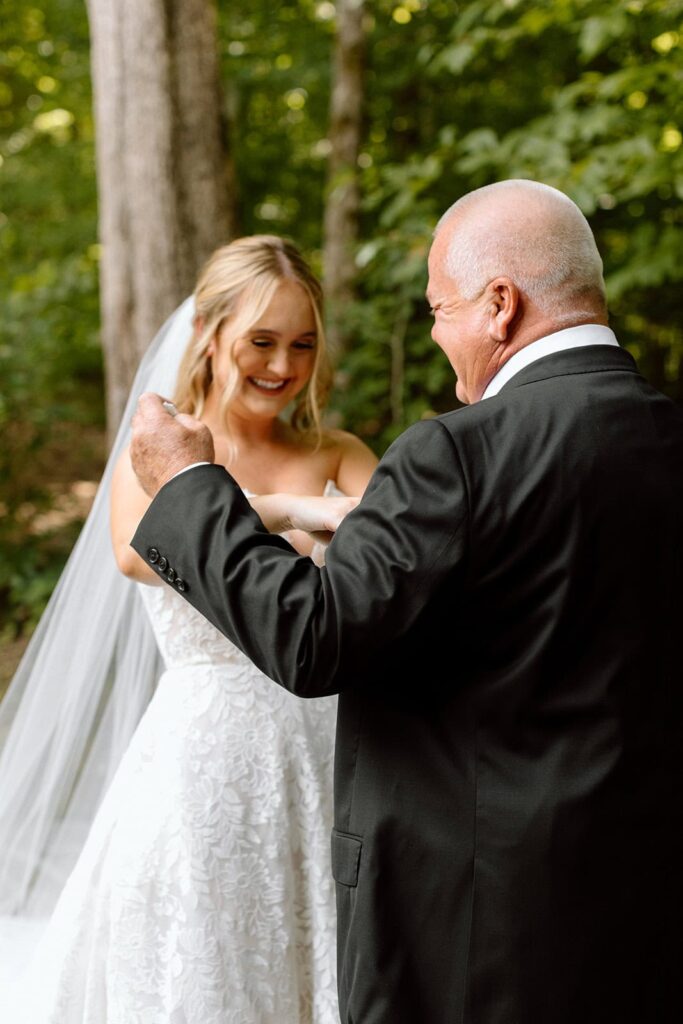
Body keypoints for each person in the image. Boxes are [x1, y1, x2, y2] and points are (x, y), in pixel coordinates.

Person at [130, 180, 683, 1024]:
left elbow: (316, 638)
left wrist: (187, 486)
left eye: (439, 308)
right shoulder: (665, 437)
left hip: (471, 924)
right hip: (641, 910)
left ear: (499, 306)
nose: (435, 334)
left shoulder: (454, 455)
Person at [1, 235, 378, 1023]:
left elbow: (388, 560)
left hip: (325, 751)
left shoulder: (338, 452)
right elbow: (138, 550)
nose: (283, 365)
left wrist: (322, 511)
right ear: (209, 335)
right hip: (201, 758)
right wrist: (287, 512)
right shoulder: (163, 445)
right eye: (262, 342)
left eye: (302, 344)